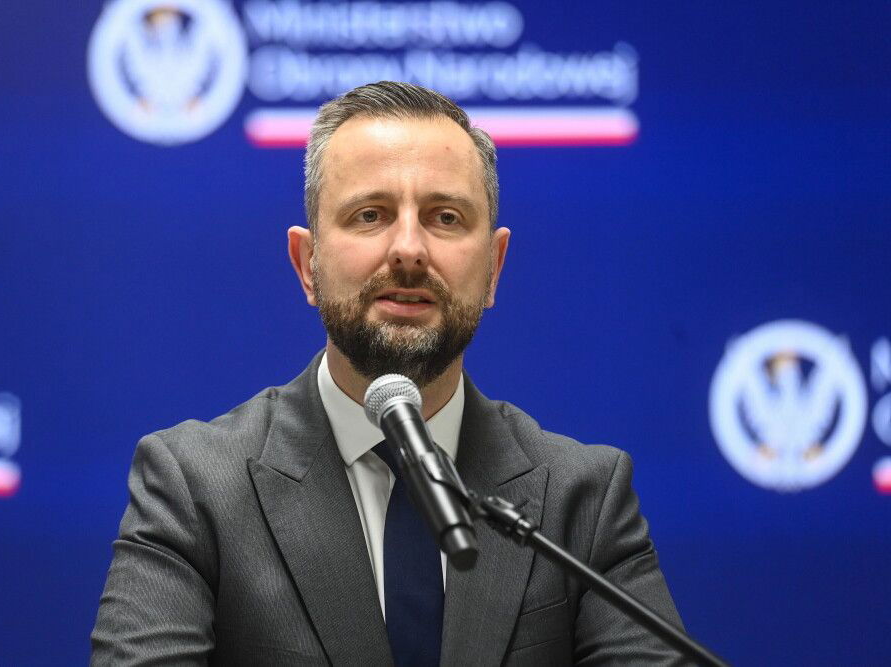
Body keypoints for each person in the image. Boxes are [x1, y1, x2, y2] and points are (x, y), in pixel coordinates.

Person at [91, 81, 685, 666]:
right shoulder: (194, 486)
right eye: (370, 215)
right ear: (307, 264)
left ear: (495, 267)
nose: (409, 249)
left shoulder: (584, 500)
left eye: (445, 217)